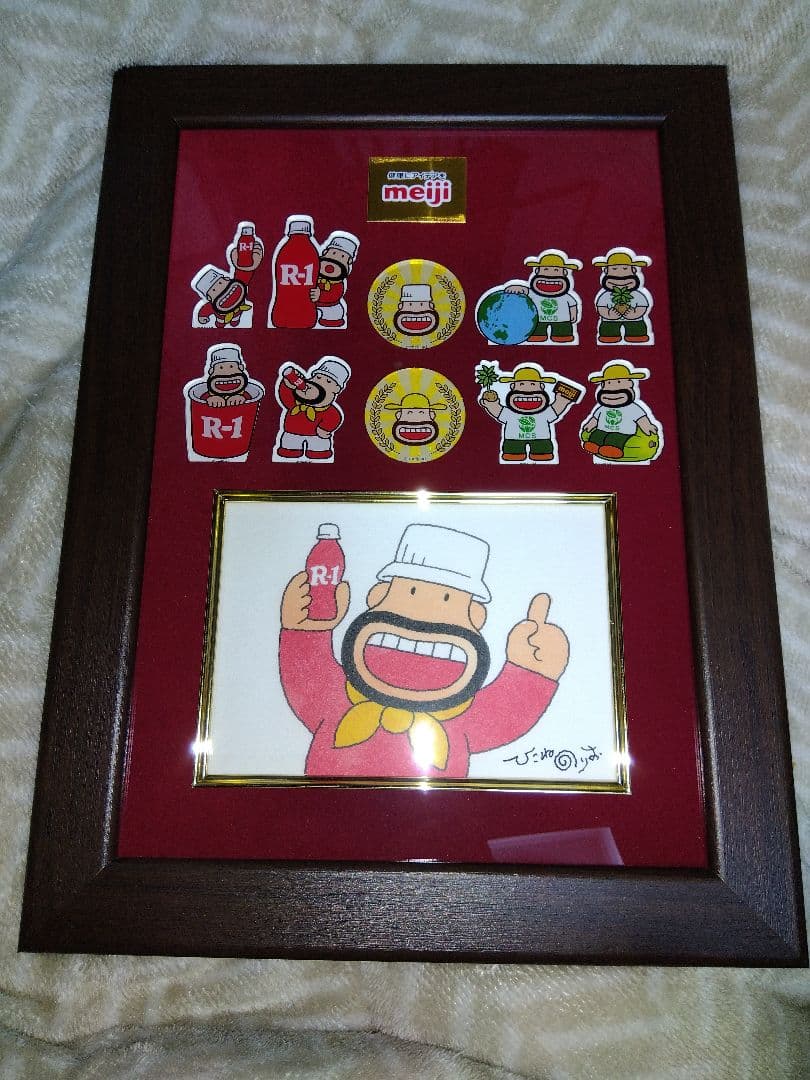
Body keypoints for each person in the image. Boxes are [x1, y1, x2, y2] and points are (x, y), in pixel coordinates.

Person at [278, 523, 569, 778]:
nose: (422, 617)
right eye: (411, 592)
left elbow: (500, 717)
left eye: (447, 599)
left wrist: (531, 672)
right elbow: (309, 685)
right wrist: (306, 631)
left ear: (476, 615)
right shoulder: (343, 690)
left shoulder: (461, 706)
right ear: (377, 596)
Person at [479, 364, 575, 462]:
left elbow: (555, 410)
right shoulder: (510, 414)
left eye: (533, 384)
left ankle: (541, 454)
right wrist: (491, 405)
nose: (527, 391)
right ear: (512, 387)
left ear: (542, 387)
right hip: (514, 439)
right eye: (521, 384)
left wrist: (561, 401)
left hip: (541, 438)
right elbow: (499, 412)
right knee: (513, 452)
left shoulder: (543, 413)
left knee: (541, 452)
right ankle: (514, 454)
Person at [273, 356, 350, 461]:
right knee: (289, 449)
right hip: (292, 433)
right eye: (318, 377)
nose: (319, 383)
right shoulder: (296, 401)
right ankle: (290, 451)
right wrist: (287, 385)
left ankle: (319, 453)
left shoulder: (327, 410)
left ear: (336, 389)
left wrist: (325, 428)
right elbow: (285, 397)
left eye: (328, 381)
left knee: (319, 451)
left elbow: (334, 418)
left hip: (317, 436)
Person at [581, 361, 659, 459]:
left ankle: (613, 450)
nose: (613, 390)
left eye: (618, 382)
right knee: (597, 435)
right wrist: (590, 425)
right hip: (601, 429)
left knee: (614, 439)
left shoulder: (632, 408)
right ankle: (593, 445)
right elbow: (595, 418)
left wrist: (647, 426)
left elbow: (641, 418)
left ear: (629, 384)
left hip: (622, 433)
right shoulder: (602, 408)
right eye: (609, 383)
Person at [504, 249, 582, 343]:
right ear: (537, 271)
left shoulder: (565, 297)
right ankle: (538, 335)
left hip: (562, 320)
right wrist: (517, 288)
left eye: (556, 270)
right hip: (539, 319)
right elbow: (525, 290)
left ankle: (562, 336)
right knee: (537, 333)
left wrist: (573, 314)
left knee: (563, 334)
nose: (550, 274)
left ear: (564, 273)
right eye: (545, 269)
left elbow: (572, 304)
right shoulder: (533, 293)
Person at [592, 248, 652, 344]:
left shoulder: (637, 295)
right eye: (614, 269)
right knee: (608, 329)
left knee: (637, 328)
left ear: (633, 270)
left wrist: (635, 313)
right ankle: (609, 336)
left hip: (634, 319)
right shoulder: (606, 296)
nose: (620, 275)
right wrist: (608, 314)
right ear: (606, 271)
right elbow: (601, 307)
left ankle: (636, 336)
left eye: (625, 269)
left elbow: (642, 306)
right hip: (610, 320)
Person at [308, 232, 358, 328]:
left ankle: (330, 322)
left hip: (331, 305)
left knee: (336, 312)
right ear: (325, 253)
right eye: (333, 253)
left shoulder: (338, 283)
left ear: (348, 262)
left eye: (342, 257)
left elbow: (335, 295)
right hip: (310, 302)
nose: (334, 260)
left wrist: (320, 295)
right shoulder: (314, 274)